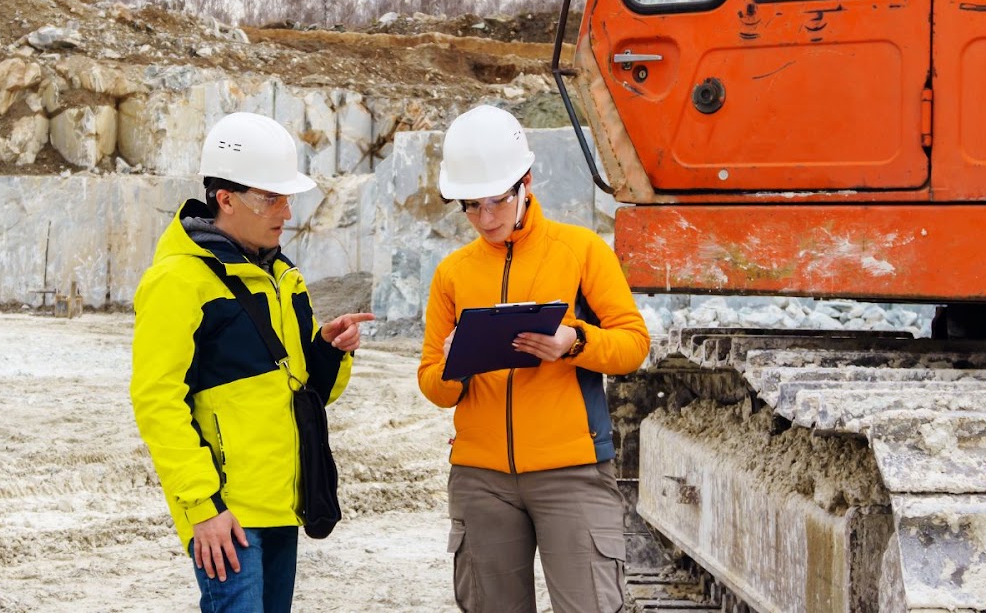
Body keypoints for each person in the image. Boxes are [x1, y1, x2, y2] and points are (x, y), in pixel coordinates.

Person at [131, 111, 374, 613]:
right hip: (226, 513)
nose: (286, 212)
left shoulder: (284, 276)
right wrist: (203, 508)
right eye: (271, 197)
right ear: (225, 199)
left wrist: (329, 349)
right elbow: (157, 402)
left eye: (287, 197)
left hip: (284, 503)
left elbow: (310, 392)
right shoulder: (177, 281)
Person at [416, 105, 650, 613]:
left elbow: (634, 345)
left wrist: (576, 342)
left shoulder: (582, 251)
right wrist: (457, 364)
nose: (486, 218)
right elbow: (433, 386)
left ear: (526, 183)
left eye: (497, 201)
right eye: (471, 206)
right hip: (480, 479)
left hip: (573, 472)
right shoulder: (452, 274)